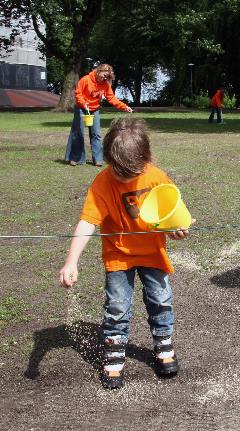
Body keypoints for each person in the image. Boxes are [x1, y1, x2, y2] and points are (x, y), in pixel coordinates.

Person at [59, 118, 191, 389]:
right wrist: (71, 261)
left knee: (161, 300)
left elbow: (171, 210)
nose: (123, 179)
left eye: (131, 174)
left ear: (146, 160)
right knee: (117, 307)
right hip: (119, 255)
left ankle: (163, 345)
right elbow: (88, 221)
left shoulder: (156, 176)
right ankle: (115, 353)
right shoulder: (103, 183)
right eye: (118, 173)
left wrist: (176, 229)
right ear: (108, 160)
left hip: (153, 253)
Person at [65, 64, 133, 167]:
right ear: (99, 71)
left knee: (96, 134)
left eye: (107, 77)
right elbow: (78, 93)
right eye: (104, 75)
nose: (105, 78)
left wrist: (124, 107)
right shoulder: (85, 80)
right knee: (78, 133)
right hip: (81, 108)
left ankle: (98, 159)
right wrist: (84, 103)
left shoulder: (105, 84)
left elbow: (111, 98)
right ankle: (75, 158)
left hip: (94, 109)